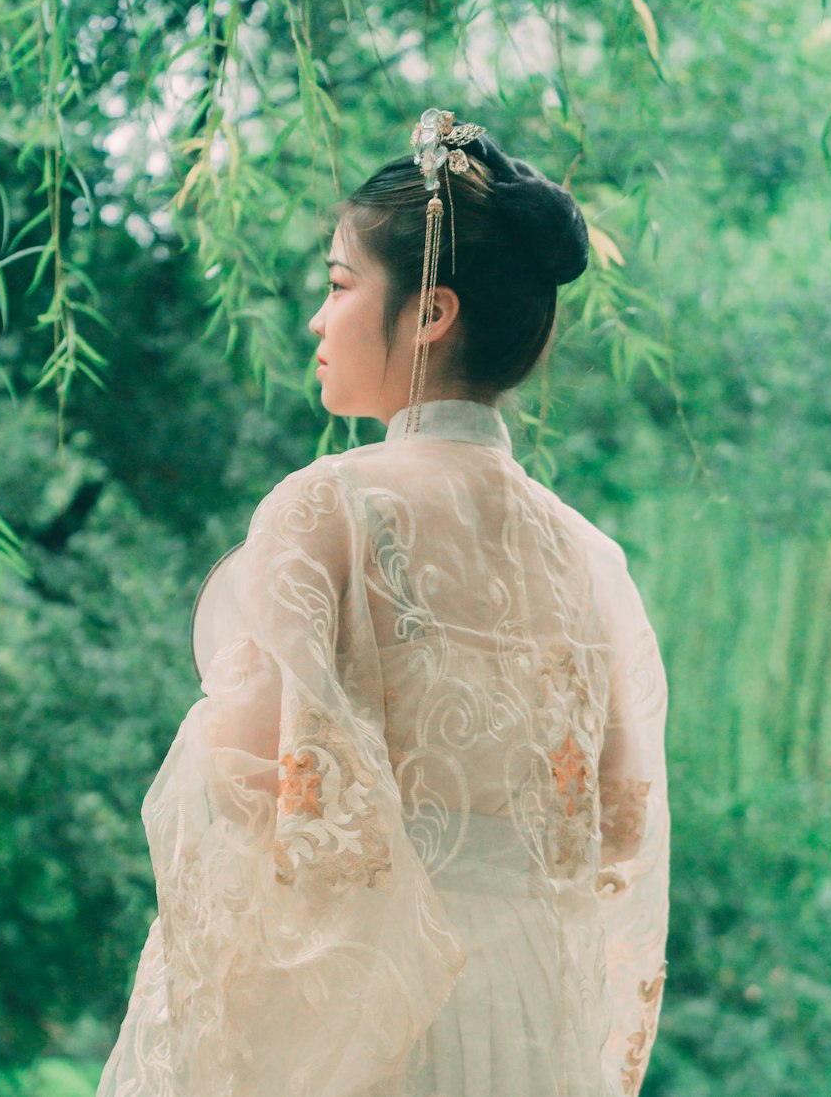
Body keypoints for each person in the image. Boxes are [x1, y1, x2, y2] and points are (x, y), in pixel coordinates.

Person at [97, 109, 669, 1097]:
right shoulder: (590, 558)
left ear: (432, 310)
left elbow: (250, 786)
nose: (318, 321)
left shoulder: (332, 504)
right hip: (528, 1018)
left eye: (338, 286)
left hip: (374, 1007)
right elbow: (619, 823)